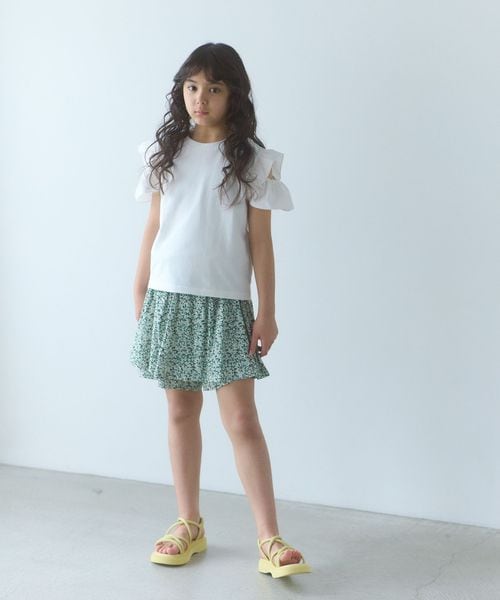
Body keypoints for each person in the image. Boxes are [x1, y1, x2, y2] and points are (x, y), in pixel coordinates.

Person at [129, 42, 312, 578]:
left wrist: (267, 312)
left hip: (227, 306)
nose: (200, 98)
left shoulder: (251, 161)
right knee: (180, 411)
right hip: (169, 297)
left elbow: (261, 244)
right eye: (192, 87)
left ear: (234, 95)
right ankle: (188, 522)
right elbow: (154, 227)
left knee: (241, 419)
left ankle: (269, 537)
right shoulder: (165, 154)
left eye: (213, 88)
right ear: (181, 91)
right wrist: (140, 289)